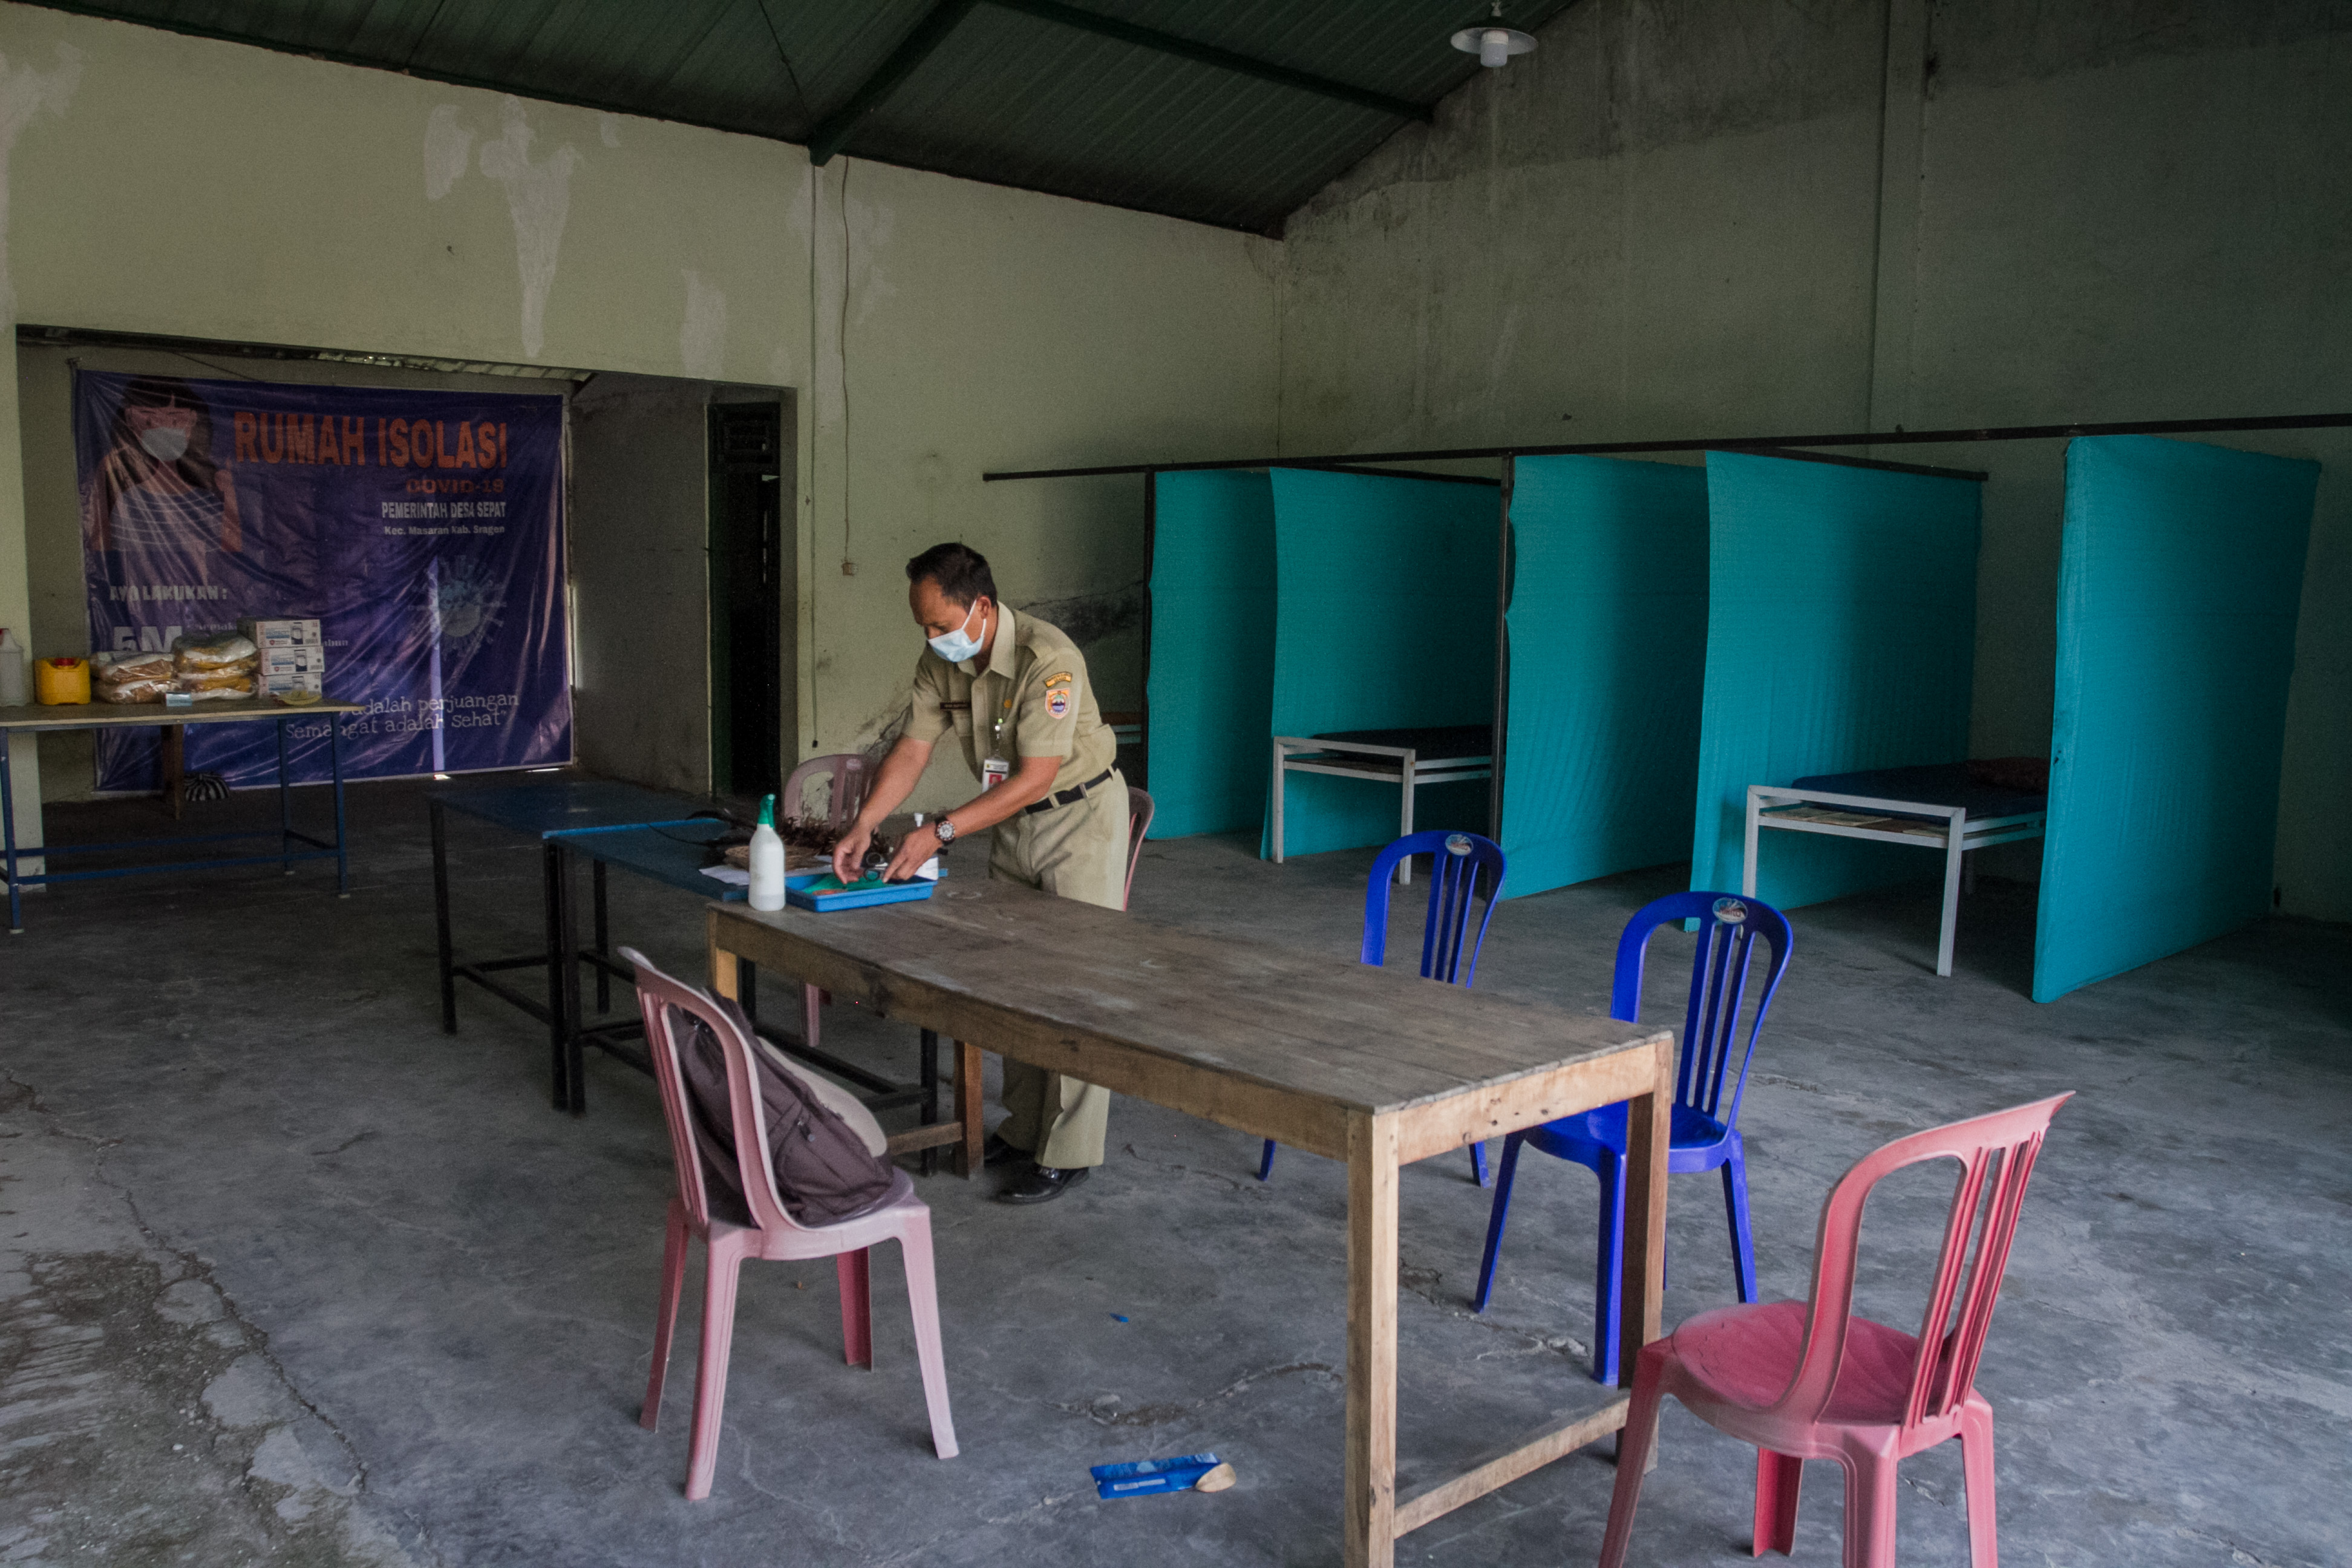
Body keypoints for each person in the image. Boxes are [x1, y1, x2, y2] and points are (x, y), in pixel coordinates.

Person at [831, 543, 1129, 1205]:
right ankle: (1024, 1131)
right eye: (924, 628)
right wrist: (865, 823)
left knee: (1076, 986)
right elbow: (912, 749)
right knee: (1014, 981)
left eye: (941, 625)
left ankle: (1070, 1151)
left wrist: (938, 831)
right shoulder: (941, 661)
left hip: (1078, 822)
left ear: (982, 608)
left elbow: (1036, 777)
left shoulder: (1048, 660)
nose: (933, 639)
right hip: (1009, 822)